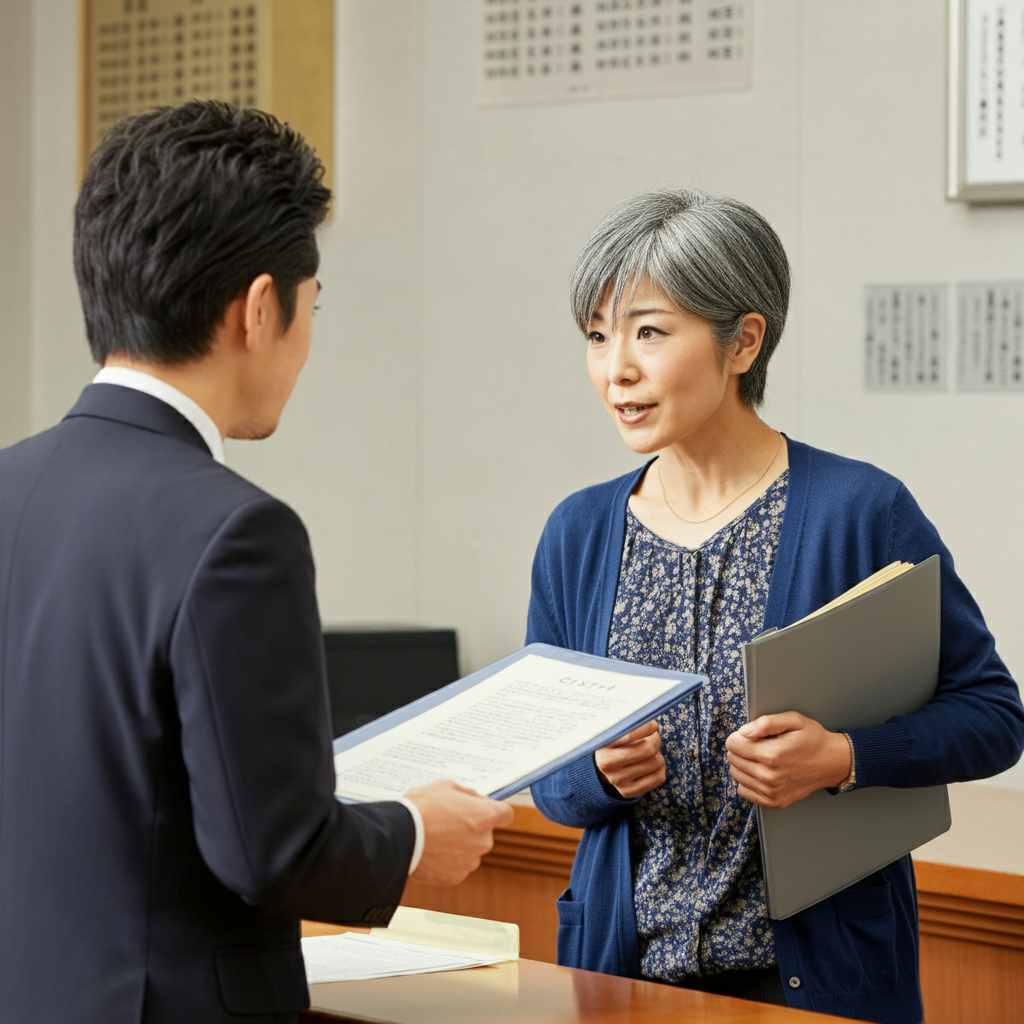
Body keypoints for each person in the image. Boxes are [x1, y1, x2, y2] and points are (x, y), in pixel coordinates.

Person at [0, 101, 512, 1024]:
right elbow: (270, 848)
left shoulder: (7, 484)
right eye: (313, 308)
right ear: (261, 306)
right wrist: (413, 837)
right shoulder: (236, 531)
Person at [527, 187, 1024, 1024]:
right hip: (619, 978)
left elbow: (993, 716)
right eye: (597, 336)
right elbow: (549, 776)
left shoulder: (860, 511)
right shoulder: (578, 532)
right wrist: (597, 776)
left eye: (649, 331)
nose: (616, 369)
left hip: (813, 985)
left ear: (743, 341)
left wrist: (843, 755)